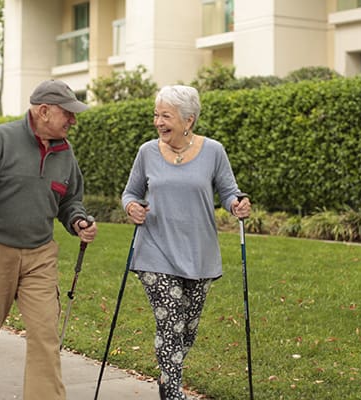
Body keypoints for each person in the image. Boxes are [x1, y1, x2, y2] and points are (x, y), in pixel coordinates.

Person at [0, 79, 98, 400]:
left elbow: (70, 201)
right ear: (43, 111)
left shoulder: (65, 154)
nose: (73, 120)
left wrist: (78, 220)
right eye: (67, 114)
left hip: (40, 254)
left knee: (45, 334)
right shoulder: (0, 139)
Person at [121, 85, 252, 399]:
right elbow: (130, 193)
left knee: (187, 330)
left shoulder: (214, 151)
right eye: (156, 115)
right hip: (155, 250)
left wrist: (238, 204)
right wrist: (131, 208)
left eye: (165, 116)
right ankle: (172, 393)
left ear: (188, 120)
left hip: (199, 254)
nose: (158, 122)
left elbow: (230, 192)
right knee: (170, 323)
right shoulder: (147, 152)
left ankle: (168, 377)